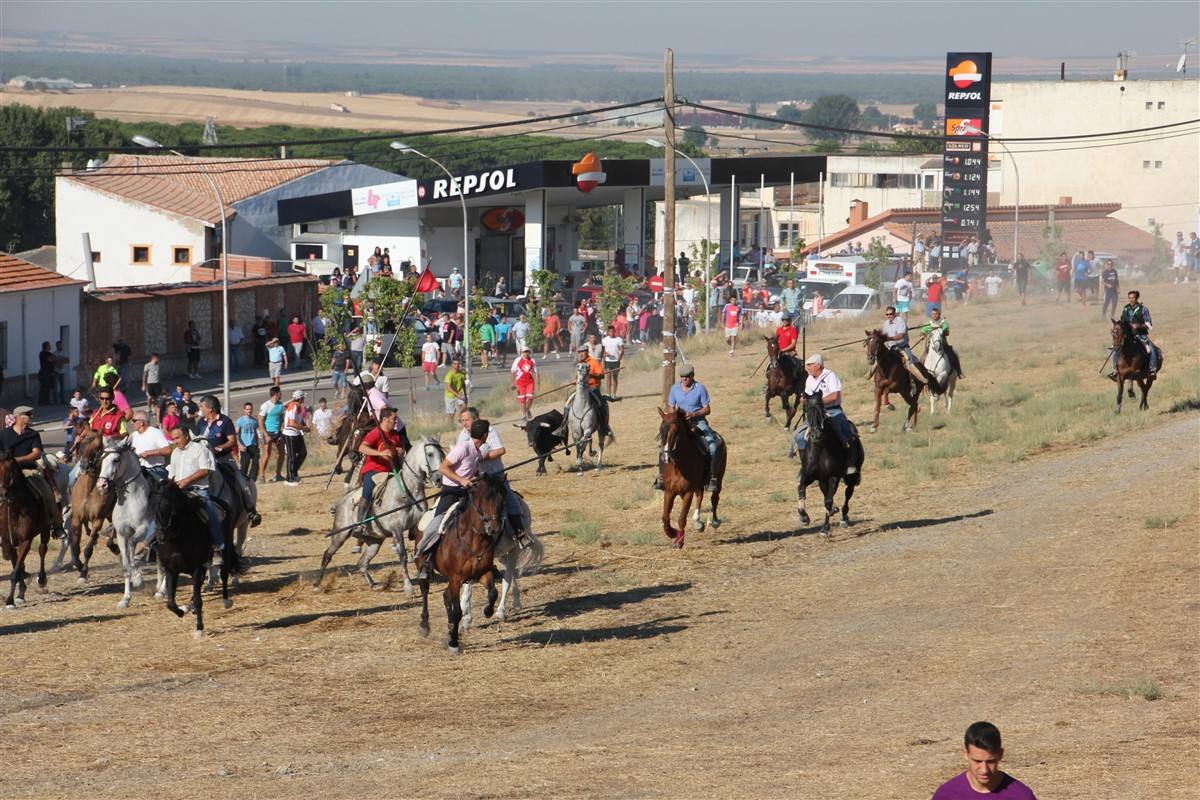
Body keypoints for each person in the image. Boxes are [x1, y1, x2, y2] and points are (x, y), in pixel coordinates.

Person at [417, 417, 487, 579]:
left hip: (467, 491)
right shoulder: (463, 448)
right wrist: (462, 480)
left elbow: (467, 470)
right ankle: (425, 558)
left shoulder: (476, 452)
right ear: (485, 435)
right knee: (438, 523)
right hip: (451, 492)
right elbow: (443, 468)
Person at [456, 407, 527, 541]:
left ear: (476, 419)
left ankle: (519, 532)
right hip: (473, 478)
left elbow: (500, 450)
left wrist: (482, 457)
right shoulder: (463, 435)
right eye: (462, 421)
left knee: (510, 499)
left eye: (467, 420)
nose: (464, 423)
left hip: (494, 476)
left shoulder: (489, 431)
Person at [0, 406, 67, 539]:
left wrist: (18, 460)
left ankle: (57, 525)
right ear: (19, 417)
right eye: (28, 415)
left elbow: (36, 453)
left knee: (47, 492)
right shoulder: (4, 434)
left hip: (28, 470)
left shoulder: (33, 434)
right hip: (6, 471)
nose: (31, 417)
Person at [195, 395, 262, 526]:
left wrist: (218, 448)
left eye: (202, 406)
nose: (200, 409)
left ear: (210, 408)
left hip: (223, 460)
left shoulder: (225, 421)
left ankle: (251, 511)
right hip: (204, 461)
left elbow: (232, 441)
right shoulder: (201, 422)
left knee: (242, 481)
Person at [931, 721, 1037, 799]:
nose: (984, 770)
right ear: (965, 754)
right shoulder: (947, 795)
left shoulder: (1021, 796)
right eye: (977, 761)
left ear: (1000, 755)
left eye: (990, 762)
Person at [791, 354, 857, 474]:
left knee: (845, 430)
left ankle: (850, 461)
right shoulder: (810, 379)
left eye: (810, 365)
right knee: (799, 436)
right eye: (807, 366)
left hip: (833, 410)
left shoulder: (830, 376)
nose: (808, 368)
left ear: (818, 366)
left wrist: (818, 402)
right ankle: (806, 466)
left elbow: (834, 395)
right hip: (816, 413)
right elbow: (807, 396)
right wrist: (804, 400)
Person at [167, 424, 224, 559]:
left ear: (186, 436)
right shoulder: (175, 453)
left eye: (177, 438)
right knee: (162, 511)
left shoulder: (200, 449)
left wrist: (187, 481)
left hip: (197, 491)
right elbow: (171, 474)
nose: (175, 441)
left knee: (209, 512)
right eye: (173, 439)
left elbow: (205, 470)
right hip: (178, 492)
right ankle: (154, 545)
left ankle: (218, 546)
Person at [662, 364, 720, 491]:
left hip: (697, 421)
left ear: (692, 376)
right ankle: (662, 477)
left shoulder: (700, 388)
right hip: (679, 422)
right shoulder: (675, 389)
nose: (685, 379)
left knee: (712, 446)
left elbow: (707, 409)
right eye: (682, 377)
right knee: (665, 445)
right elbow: (671, 406)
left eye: (687, 377)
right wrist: (675, 417)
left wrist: (694, 414)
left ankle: (711, 477)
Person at [354, 405, 406, 533]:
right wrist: (380, 453)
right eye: (393, 419)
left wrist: (400, 451)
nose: (396, 421)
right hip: (373, 471)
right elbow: (362, 448)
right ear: (385, 419)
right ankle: (360, 523)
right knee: (368, 491)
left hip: (391, 471)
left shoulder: (395, 434)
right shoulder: (376, 433)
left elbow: (400, 449)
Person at [1111, 289, 1158, 378]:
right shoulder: (1126, 309)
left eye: (1133, 298)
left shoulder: (1143, 309)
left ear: (1137, 298)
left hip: (1141, 335)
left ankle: (1152, 369)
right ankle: (1115, 370)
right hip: (1128, 336)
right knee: (1115, 350)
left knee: (1151, 349)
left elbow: (1149, 324)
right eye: (1129, 298)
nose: (1131, 300)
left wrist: (1139, 325)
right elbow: (1123, 322)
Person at [920, 307, 964, 378]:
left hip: (943, 345)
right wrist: (923, 335)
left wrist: (941, 331)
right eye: (933, 314)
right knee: (922, 359)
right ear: (931, 315)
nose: (934, 315)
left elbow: (947, 333)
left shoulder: (943, 323)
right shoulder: (927, 324)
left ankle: (959, 372)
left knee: (954, 355)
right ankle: (922, 376)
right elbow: (922, 333)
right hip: (930, 347)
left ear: (939, 315)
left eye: (936, 314)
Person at [129, 411, 172, 481]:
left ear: (141, 423)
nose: (132, 423)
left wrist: (149, 453)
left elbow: (168, 450)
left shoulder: (155, 432)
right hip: (140, 469)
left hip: (156, 470)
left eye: (134, 421)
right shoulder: (134, 435)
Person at [281, 389, 309, 486]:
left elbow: (299, 420)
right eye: (303, 397)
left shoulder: (299, 407)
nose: (304, 399)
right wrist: (303, 428)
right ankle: (289, 479)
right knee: (291, 456)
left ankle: (293, 472)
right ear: (300, 398)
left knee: (303, 453)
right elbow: (291, 423)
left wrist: (304, 426)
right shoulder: (293, 407)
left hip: (297, 433)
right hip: (289, 434)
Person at [258, 386, 286, 483]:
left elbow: (282, 418)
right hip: (268, 432)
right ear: (276, 394)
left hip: (278, 433)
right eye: (280, 393)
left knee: (282, 453)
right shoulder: (266, 405)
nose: (281, 395)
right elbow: (260, 421)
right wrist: (265, 434)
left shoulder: (281, 405)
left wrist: (282, 429)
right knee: (266, 454)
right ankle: (261, 475)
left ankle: (278, 474)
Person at [235, 402, 261, 481]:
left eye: (250, 409)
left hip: (253, 444)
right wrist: (240, 445)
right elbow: (235, 434)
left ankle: (252, 479)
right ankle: (242, 480)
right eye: (247, 409)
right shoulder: (240, 420)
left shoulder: (254, 421)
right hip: (244, 445)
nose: (249, 411)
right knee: (245, 464)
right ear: (244, 410)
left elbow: (256, 433)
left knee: (256, 463)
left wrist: (258, 444)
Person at [600, 324, 625, 398]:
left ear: (615, 332)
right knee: (608, 376)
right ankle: (608, 393)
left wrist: (619, 357)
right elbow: (603, 350)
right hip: (608, 360)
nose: (611, 333)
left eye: (613, 331)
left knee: (615, 377)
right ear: (608, 332)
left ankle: (614, 393)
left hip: (616, 361)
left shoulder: (618, 339)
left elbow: (622, 349)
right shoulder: (604, 340)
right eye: (610, 331)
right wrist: (604, 355)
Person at [444, 358, 467, 422]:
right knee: (451, 414)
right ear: (452, 365)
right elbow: (448, 387)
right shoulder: (449, 375)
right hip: (450, 396)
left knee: (464, 405)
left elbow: (463, 384)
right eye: (455, 364)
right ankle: (449, 427)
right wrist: (457, 395)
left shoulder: (462, 373)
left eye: (458, 364)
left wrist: (465, 394)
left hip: (459, 394)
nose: (457, 365)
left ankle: (460, 417)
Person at [141, 352, 162, 421]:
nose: (158, 359)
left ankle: (155, 410)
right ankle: (149, 408)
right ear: (154, 358)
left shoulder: (158, 365)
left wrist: (160, 384)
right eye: (157, 358)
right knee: (150, 397)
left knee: (156, 398)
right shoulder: (147, 365)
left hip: (157, 383)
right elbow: (144, 375)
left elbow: (159, 375)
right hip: (150, 383)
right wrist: (144, 385)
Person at [37, 341, 55, 405]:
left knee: (44, 387)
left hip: (44, 372)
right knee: (45, 387)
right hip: (45, 372)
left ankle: (42, 401)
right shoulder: (45, 354)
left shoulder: (43, 353)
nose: (50, 346)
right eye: (49, 345)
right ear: (46, 346)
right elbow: (51, 360)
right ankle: (44, 401)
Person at [52, 340, 69, 405]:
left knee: (62, 386)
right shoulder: (54, 353)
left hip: (62, 371)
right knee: (55, 387)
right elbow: (52, 361)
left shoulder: (64, 353)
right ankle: (55, 400)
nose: (60, 346)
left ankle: (63, 400)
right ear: (56, 346)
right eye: (58, 345)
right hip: (56, 371)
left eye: (61, 345)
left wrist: (61, 361)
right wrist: (57, 362)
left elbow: (67, 360)